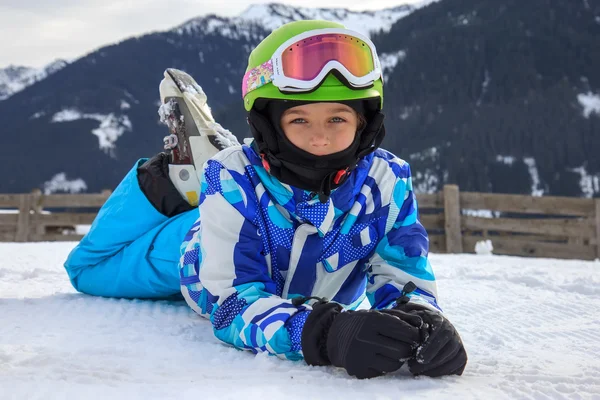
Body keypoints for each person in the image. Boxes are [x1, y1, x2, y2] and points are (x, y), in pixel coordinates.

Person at [64, 19, 467, 379]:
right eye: (299, 120)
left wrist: (423, 320)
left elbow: (402, 272)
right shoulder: (233, 180)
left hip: (269, 245)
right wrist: (324, 334)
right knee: (89, 269)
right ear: (269, 126)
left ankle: (204, 161)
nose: (320, 137)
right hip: (206, 248)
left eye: (337, 119)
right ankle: (166, 179)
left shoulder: (388, 179)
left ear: (364, 122)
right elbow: (231, 302)